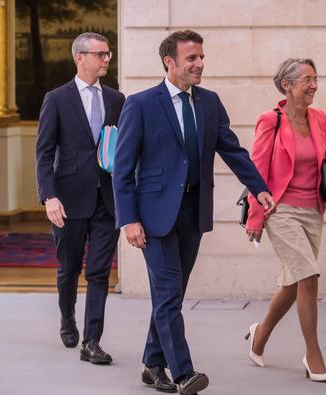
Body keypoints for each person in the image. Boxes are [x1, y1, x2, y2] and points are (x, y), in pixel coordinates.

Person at [113, 30, 276, 395]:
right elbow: (122, 170)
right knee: (169, 291)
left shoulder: (209, 102)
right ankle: (183, 372)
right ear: (169, 62)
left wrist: (259, 188)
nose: (199, 64)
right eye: (191, 58)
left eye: (201, 57)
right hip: (152, 215)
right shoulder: (140, 104)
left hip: (193, 211)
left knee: (172, 294)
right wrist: (129, 219)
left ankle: (152, 364)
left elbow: (231, 150)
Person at [244, 58, 326, 382]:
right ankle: (313, 353)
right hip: (281, 211)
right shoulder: (270, 121)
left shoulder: (319, 119)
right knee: (309, 276)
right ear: (287, 85)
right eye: (307, 79)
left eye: (315, 79)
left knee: (293, 283)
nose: (313, 85)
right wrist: (256, 217)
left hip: (312, 211)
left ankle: (260, 335)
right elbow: (256, 172)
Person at [35, 32, 125, 365]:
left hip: (107, 200)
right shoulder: (56, 99)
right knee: (69, 269)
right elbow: (43, 153)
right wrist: (49, 196)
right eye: (100, 54)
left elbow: (125, 151)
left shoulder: (118, 100)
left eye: (108, 54)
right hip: (68, 199)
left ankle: (92, 341)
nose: (105, 59)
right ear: (80, 58)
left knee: (99, 272)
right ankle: (67, 319)